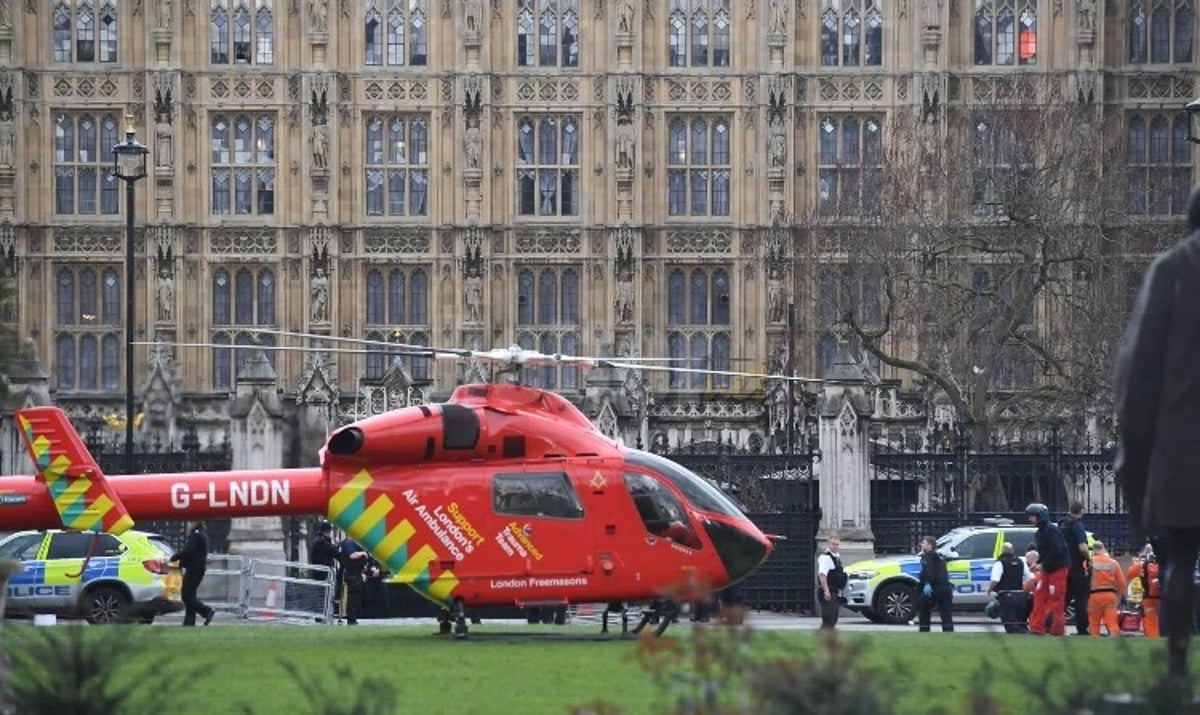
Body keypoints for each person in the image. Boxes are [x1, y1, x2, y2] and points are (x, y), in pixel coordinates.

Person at [1114, 184, 1200, 682]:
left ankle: (1176, 671)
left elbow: (1138, 371)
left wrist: (1135, 457)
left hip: (1185, 445)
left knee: (1181, 560)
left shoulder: (1171, 269)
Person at [1026, 502, 1069, 636]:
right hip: (1047, 569)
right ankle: (1036, 628)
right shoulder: (1040, 533)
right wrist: (1037, 562)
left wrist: (1042, 564)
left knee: (1056, 599)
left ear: (1040, 516)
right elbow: (1045, 552)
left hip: (1058, 569)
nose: (1030, 519)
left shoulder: (1052, 530)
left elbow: (1057, 551)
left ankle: (1058, 630)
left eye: (1032, 516)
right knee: (1039, 595)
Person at [170, 520, 215, 626]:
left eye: (190, 522)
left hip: (194, 569)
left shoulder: (196, 535)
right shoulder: (201, 533)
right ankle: (189, 622)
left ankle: (206, 611)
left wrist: (176, 557)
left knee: (186, 595)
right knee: (190, 595)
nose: (188, 525)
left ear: (195, 522)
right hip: (197, 568)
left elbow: (188, 551)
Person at [1060, 501, 1092, 635]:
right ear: (1082, 510)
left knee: (1063, 599)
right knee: (1081, 600)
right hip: (1077, 568)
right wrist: (1089, 559)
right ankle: (1082, 629)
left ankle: (1052, 624)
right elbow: (1083, 547)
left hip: (1064, 566)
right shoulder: (1077, 525)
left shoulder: (1062, 524)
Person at [987, 541, 1032, 633]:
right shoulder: (1020, 562)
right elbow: (1031, 578)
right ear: (1013, 550)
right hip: (1021, 597)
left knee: (1011, 626)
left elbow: (995, 579)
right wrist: (1028, 592)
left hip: (1007, 597)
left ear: (1002, 550)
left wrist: (989, 589)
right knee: (1022, 624)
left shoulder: (1000, 563)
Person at [1087, 541, 1127, 637]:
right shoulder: (1114, 563)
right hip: (1110, 596)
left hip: (1094, 596)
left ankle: (1094, 642)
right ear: (1103, 549)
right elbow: (1122, 583)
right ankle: (1115, 641)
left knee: (1094, 623)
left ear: (1094, 550)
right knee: (1112, 622)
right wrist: (1123, 595)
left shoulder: (1090, 562)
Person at [916, 535, 953, 632]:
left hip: (934, 587)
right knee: (946, 613)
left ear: (929, 545)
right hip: (945, 588)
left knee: (924, 609)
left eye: (923, 543)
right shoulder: (940, 557)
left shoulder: (927, 557)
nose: (921, 545)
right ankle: (948, 632)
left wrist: (926, 584)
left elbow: (929, 573)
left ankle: (924, 631)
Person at [1127, 543, 1162, 638]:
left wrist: (1139, 562)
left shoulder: (1142, 565)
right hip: (1165, 598)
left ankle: (1153, 641)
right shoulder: (1166, 563)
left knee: (1151, 622)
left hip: (1149, 599)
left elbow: (1130, 574)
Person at [816, 536, 845, 630]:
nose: (835, 546)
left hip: (835, 591)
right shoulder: (825, 558)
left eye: (837, 544)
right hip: (828, 591)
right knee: (829, 619)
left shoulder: (836, 557)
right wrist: (826, 591)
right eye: (833, 544)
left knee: (833, 618)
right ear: (828, 545)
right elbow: (822, 575)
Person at [337, 536, 368, 625]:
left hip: (353, 572)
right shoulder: (349, 543)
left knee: (354, 596)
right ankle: (351, 618)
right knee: (353, 596)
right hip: (352, 573)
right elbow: (352, 555)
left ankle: (352, 617)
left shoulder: (347, 543)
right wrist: (363, 553)